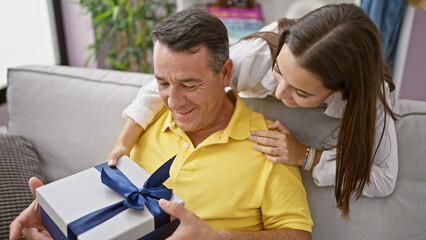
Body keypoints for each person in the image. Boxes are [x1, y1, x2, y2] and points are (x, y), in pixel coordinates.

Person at [10, 8, 312, 240]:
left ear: (225, 73)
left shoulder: (270, 145)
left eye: (189, 84)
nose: (173, 101)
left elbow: (298, 235)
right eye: (163, 82)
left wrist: (217, 237)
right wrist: (53, 214)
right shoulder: (147, 120)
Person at [107, 3, 398, 218]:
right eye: (279, 74)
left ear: (339, 89)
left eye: (301, 92)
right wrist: (123, 145)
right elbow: (166, 80)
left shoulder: (373, 99)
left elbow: (382, 178)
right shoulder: (256, 56)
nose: (280, 93)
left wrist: (308, 156)